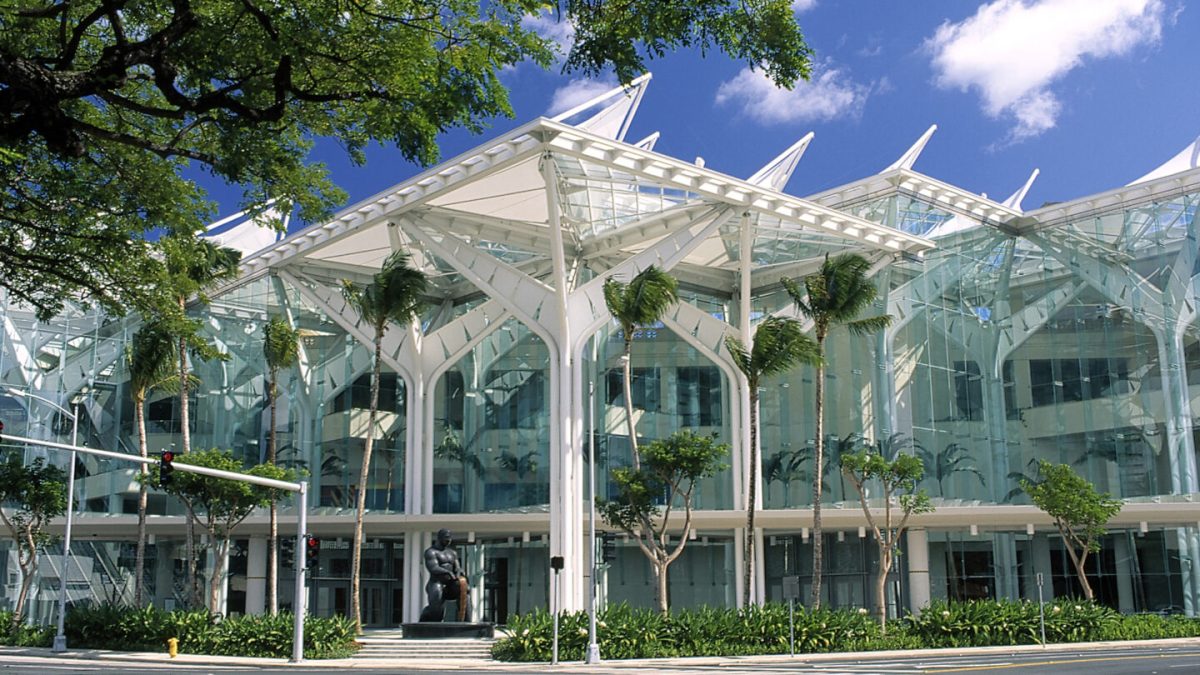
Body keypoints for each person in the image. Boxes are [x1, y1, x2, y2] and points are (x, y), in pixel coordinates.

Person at [420, 528, 470, 621]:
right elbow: (433, 568)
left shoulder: (452, 553)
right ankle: (425, 617)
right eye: (446, 538)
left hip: (451, 584)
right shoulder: (431, 552)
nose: (449, 541)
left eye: (450, 538)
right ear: (439, 538)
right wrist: (447, 572)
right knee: (436, 609)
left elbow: (457, 567)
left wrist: (459, 571)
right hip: (437, 582)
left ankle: (466, 621)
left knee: (465, 590)